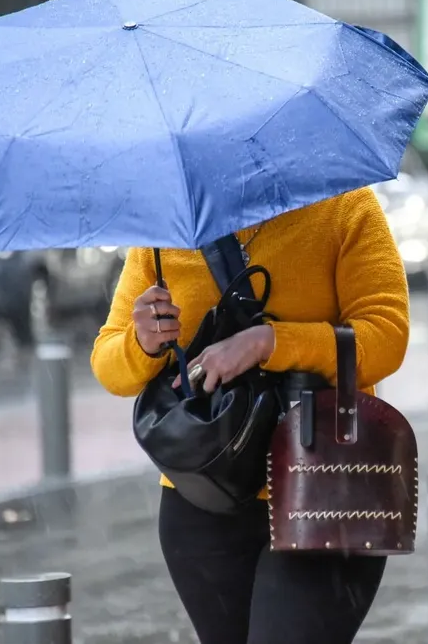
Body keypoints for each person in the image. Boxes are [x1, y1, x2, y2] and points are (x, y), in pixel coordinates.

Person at [91, 185, 410, 644]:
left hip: (326, 486)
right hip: (204, 496)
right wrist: (140, 342)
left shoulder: (343, 205)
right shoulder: (168, 230)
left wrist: (269, 343)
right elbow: (109, 366)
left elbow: (386, 335)